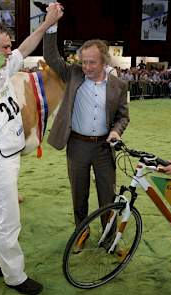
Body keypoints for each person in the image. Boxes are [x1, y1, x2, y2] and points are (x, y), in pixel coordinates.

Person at [0, 6, 62, 295]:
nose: (11, 51)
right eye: (5, 46)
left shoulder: (2, 67)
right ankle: (15, 276)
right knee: (9, 221)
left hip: (5, 156)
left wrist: (47, 23)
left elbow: (25, 46)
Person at [43, 4, 129, 251]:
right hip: (77, 145)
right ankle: (81, 232)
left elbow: (123, 116)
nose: (87, 67)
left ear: (104, 61)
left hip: (104, 148)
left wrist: (116, 131)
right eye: (83, 61)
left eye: (92, 62)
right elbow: (51, 57)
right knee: (78, 195)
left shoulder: (118, 86)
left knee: (107, 196)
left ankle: (109, 237)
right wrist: (53, 25)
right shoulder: (73, 74)